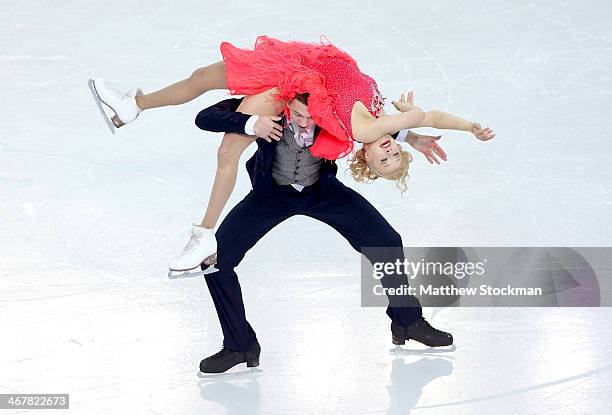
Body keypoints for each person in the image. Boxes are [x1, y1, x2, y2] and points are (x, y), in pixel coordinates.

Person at [90, 36, 495, 273]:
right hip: (298, 64)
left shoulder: (365, 129)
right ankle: (134, 105)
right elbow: (431, 118)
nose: (388, 152)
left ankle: (203, 233)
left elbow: (425, 115)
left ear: (366, 160)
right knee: (202, 78)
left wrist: (410, 124)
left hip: (294, 87)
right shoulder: (379, 114)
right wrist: (464, 127)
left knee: (229, 149)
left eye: (384, 160)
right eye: (393, 155)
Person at [192, 94, 463, 373]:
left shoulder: (336, 108)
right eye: (298, 115)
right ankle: (240, 344)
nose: (305, 121)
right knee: (214, 262)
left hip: (322, 192)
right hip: (269, 195)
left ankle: (407, 321)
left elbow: (369, 123)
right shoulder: (268, 106)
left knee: (386, 241)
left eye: (312, 116)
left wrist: (410, 138)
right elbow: (205, 117)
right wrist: (251, 123)